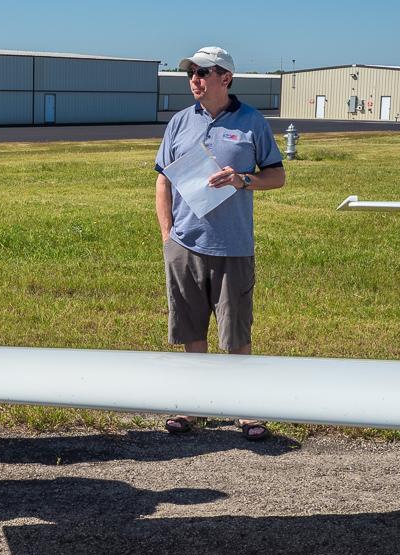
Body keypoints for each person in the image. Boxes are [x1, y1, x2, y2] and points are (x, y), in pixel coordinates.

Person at [155, 47, 286, 440]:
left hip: (232, 245)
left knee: (236, 333)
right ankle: (194, 406)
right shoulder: (179, 122)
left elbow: (277, 176)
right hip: (185, 245)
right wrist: (167, 236)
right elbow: (163, 180)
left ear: (225, 77)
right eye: (191, 74)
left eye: (203, 72)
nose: (195, 80)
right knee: (191, 330)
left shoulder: (252, 122)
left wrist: (242, 180)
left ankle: (244, 409)